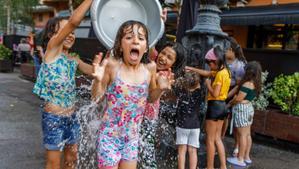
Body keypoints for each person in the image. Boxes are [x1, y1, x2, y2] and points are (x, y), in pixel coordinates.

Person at [91, 20, 173, 169]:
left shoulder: (150, 68)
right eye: (129, 37)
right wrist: (97, 81)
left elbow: (150, 98)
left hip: (132, 139)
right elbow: (96, 99)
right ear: (120, 45)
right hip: (109, 137)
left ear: (146, 47)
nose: (135, 40)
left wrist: (160, 89)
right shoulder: (112, 66)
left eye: (141, 38)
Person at [32, 0, 93, 168]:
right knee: (53, 164)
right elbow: (74, 21)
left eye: (73, 32)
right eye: (67, 31)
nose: (72, 34)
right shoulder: (52, 50)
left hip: (71, 117)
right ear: (54, 35)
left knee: (72, 159)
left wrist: (104, 64)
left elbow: (92, 71)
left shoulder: (72, 58)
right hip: (54, 118)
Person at [138, 41, 186, 169]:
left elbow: (151, 97)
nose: (163, 58)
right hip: (136, 114)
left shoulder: (163, 75)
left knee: (147, 152)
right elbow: (151, 45)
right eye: (163, 53)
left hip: (147, 117)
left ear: (174, 64)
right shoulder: (152, 66)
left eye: (169, 58)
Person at [185, 46, 231, 169]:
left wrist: (208, 84)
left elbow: (215, 93)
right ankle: (223, 166)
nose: (209, 66)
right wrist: (192, 69)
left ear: (215, 61)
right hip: (223, 107)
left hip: (214, 107)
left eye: (210, 63)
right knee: (217, 138)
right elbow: (207, 73)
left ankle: (209, 167)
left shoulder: (219, 75)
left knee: (209, 140)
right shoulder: (225, 71)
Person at [227, 61, 262, 167]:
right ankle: (246, 157)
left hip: (242, 109)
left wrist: (230, 103)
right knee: (247, 134)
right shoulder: (256, 83)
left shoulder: (247, 84)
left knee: (242, 134)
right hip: (248, 108)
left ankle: (240, 159)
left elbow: (238, 99)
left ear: (249, 71)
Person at [222, 37, 246, 157]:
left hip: (233, 92)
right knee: (223, 116)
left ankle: (237, 146)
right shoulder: (224, 61)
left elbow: (238, 85)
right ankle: (220, 138)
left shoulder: (239, 65)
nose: (223, 52)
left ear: (231, 50)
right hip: (223, 90)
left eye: (225, 49)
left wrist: (227, 95)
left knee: (235, 120)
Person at [174, 72, 201, 169]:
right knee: (193, 151)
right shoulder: (199, 93)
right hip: (195, 126)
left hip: (182, 125)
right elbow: (198, 85)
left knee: (182, 150)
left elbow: (175, 85)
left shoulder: (181, 93)